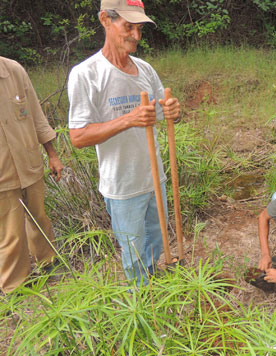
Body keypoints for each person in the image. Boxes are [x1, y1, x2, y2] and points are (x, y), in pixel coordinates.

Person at [68, 0, 181, 286]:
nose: (136, 36)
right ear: (105, 19)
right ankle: (141, 305)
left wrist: (172, 112)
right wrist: (128, 120)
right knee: (133, 256)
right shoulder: (87, 74)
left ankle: (155, 287)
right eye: (128, 27)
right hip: (122, 186)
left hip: (154, 178)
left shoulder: (145, 69)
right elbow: (78, 136)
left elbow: (160, 111)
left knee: (156, 242)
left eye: (139, 28)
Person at [0, 56, 64, 294]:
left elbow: (36, 116)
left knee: (39, 217)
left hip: (29, 163)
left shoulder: (14, 70)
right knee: (11, 233)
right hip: (3, 175)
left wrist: (52, 154)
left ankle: (49, 263)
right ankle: (14, 287)